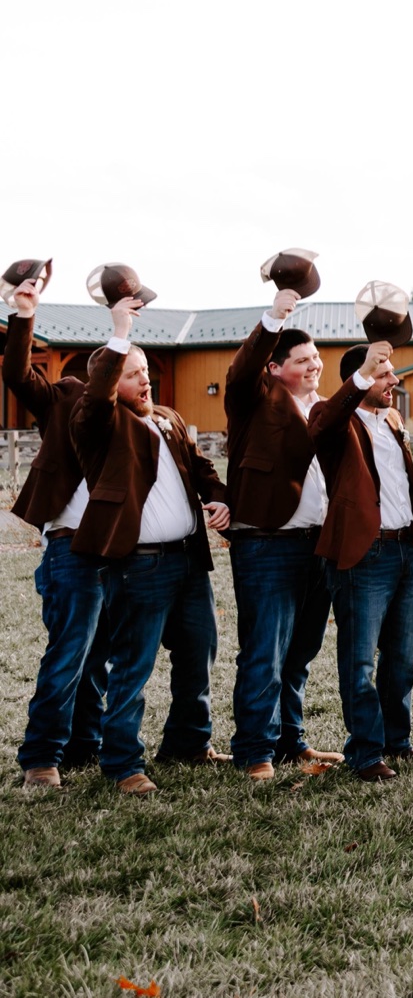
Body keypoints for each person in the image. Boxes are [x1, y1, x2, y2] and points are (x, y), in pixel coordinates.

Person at [67, 298, 230, 794]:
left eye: (145, 371)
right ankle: (122, 763)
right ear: (110, 381)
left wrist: (219, 497)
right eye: (132, 373)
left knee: (199, 653)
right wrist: (120, 331)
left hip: (188, 561)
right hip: (138, 567)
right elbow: (97, 397)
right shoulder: (98, 424)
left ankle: (188, 742)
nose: (145, 380)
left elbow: (200, 468)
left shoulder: (168, 418)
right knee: (133, 666)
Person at [223, 282, 354, 779]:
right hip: (267, 544)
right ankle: (254, 750)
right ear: (275, 368)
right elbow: (241, 371)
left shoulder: (323, 409)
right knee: (265, 649)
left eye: (315, 357)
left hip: (317, 543)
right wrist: (274, 319)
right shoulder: (254, 401)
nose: (314, 365)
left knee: (300, 651)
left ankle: (289, 740)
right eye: (302, 360)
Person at [8, 263, 109, 787]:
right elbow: (18, 376)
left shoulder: (136, 417)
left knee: (97, 657)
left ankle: (85, 746)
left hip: (119, 552)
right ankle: (40, 757)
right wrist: (24, 314)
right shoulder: (66, 397)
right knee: (70, 653)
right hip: (71, 549)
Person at [316, 342, 413, 781]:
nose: (393, 381)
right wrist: (363, 375)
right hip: (364, 554)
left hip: (404, 549)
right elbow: (326, 423)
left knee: (402, 656)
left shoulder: (393, 420)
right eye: (383, 375)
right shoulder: (334, 420)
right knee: (360, 660)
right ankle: (365, 753)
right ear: (359, 378)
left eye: (391, 374)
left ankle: (396, 742)